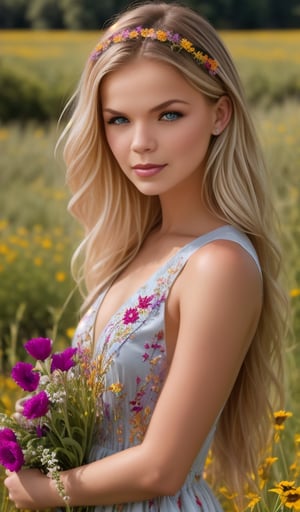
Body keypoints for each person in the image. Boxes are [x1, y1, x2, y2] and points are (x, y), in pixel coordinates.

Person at [5, 2, 288, 510]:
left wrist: (48, 490)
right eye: (118, 120)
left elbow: (163, 467)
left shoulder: (218, 265)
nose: (140, 143)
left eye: (169, 114)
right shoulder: (138, 248)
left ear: (219, 114)